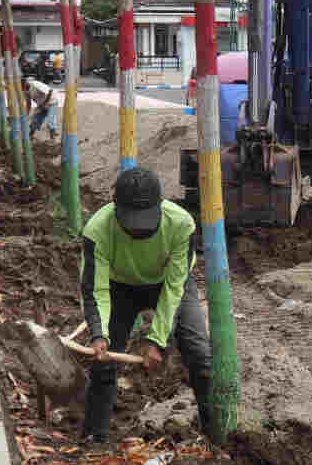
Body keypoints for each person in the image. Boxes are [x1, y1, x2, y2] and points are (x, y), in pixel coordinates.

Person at [78, 167, 213, 443]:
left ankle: (215, 434)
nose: (138, 228)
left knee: (199, 354)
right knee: (104, 362)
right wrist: (99, 334)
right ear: (115, 207)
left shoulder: (181, 224)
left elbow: (174, 289)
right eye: (131, 219)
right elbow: (96, 290)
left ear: (160, 204)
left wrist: (157, 340)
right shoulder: (97, 230)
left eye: (145, 219)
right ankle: (94, 438)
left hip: (167, 284)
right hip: (119, 287)